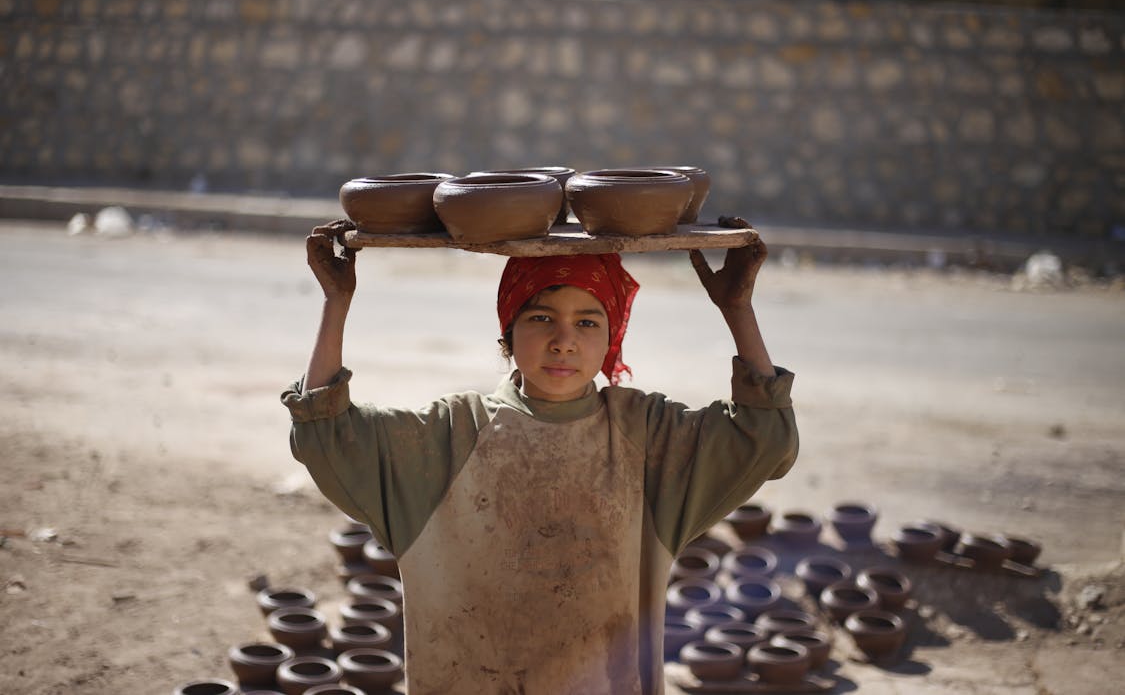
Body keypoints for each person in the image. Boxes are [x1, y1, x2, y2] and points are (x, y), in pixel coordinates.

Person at [281, 217, 798, 695]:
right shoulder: (452, 434)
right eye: (542, 316)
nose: (563, 341)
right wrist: (336, 301)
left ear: (613, 335)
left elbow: (763, 437)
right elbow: (327, 435)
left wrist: (737, 308)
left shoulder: (646, 436)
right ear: (509, 330)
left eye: (589, 323)